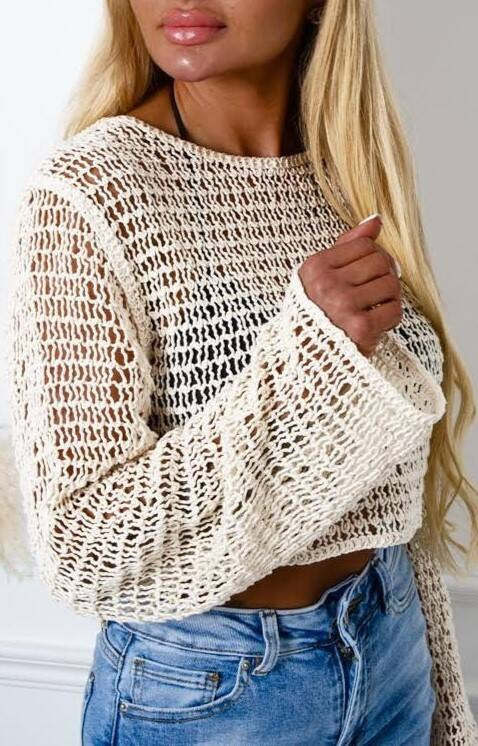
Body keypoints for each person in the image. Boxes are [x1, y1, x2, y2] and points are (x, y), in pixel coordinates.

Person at [6, 1, 478, 744]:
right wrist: (312, 358)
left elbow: (381, 491)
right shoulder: (93, 192)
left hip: (389, 640)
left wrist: (439, 697)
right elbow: (83, 545)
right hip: (212, 690)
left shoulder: (347, 171)